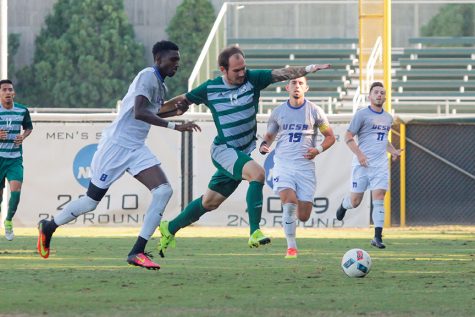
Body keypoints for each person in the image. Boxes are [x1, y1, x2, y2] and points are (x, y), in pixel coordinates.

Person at [37, 40, 201, 270]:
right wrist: (175, 126)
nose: (177, 64)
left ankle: (137, 251)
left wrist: (177, 108)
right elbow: (140, 111)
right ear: (158, 60)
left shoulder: (160, 86)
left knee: (164, 190)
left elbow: (158, 109)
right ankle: (49, 226)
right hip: (116, 147)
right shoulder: (147, 76)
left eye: (178, 60)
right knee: (91, 201)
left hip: (135, 147)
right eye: (173, 60)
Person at [157, 45, 331, 256]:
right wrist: (149, 112)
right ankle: (254, 231)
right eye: (236, 70)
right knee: (257, 174)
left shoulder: (252, 79)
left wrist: (310, 68)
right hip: (224, 150)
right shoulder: (209, 89)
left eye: (243, 68)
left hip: (241, 153)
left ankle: (170, 228)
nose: (242, 73)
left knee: (210, 202)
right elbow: (180, 104)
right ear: (223, 69)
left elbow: (282, 74)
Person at [259, 76, 335, 259]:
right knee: (289, 201)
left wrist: (317, 150)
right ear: (287, 87)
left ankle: (293, 227)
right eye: (294, 83)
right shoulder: (278, 112)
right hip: (283, 164)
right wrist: (264, 145)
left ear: (306, 88)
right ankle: (291, 247)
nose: (297, 86)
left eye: (301, 83)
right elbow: (269, 135)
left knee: (303, 216)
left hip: (305, 168)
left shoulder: (315, 111)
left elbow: (330, 137)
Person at [335, 81, 402, 249]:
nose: (379, 95)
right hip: (362, 164)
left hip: (380, 164)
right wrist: (360, 155)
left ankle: (377, 237)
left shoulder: (388, 118)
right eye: (376, 92)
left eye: (382, 92)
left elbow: (382, 140)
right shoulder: (362, 114)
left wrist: (393, 151)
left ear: (385, 97)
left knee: (379, 198)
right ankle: (344, 204)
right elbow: (348, 136)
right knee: (356, 201)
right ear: (370, 96)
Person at [0, 79, 33, 241]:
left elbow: (29, 127)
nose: (7, 92)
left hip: (14, 159)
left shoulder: (22, 110)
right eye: (4, 90)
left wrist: (23, 136)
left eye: (10, 90)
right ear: (0, 93)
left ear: (13, 93)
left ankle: (8, 221)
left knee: (16, 192)